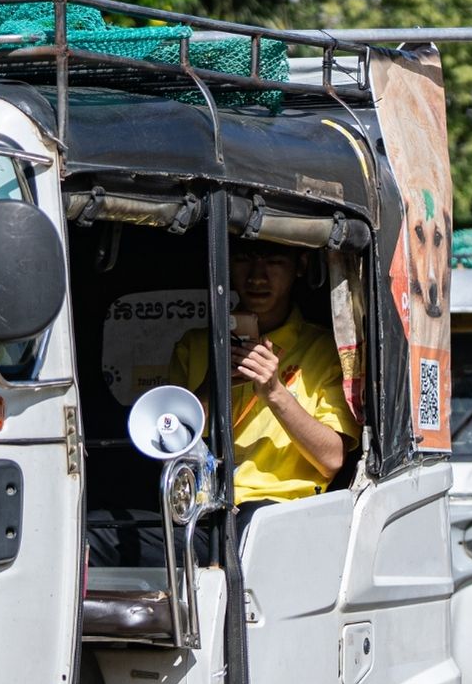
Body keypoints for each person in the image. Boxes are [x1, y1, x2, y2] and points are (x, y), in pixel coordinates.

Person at [89, 241, 356, 567]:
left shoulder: (324, 349)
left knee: (246, 536)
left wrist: (275, 393)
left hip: (278, 514)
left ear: (299, 267)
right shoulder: (195, 344)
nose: (258, 277)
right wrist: (212, 387)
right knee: (95, 533)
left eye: (273, 261)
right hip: (200, 512)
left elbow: (331, 459)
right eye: (245, 260)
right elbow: (168, 444)